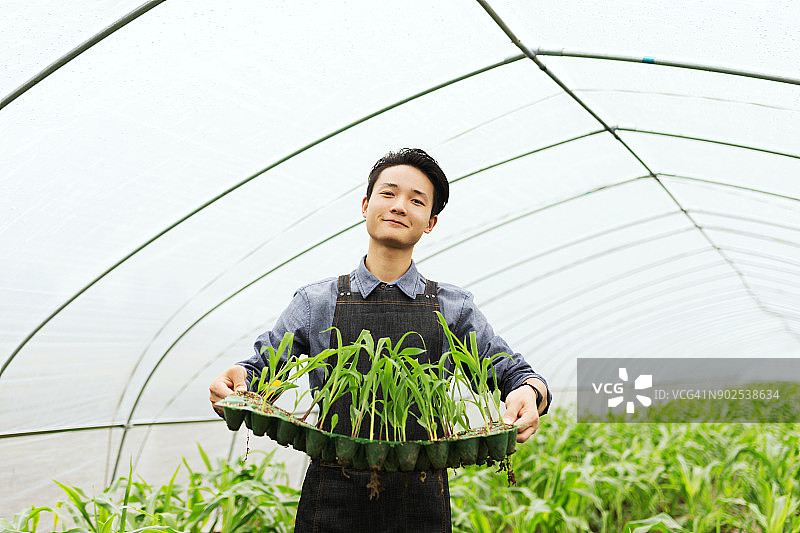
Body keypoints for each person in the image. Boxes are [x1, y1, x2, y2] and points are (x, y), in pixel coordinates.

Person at [209, 148, 551, 532]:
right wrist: (238, 380)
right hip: (332, 498)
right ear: (365, 204)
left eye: (416, 200)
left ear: (431, 222)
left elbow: (513, 371)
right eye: (389, 193)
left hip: (421, 499)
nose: (400, 206)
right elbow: (262, 368)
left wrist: (530, 391)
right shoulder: (316, 302)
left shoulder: (452, 307)